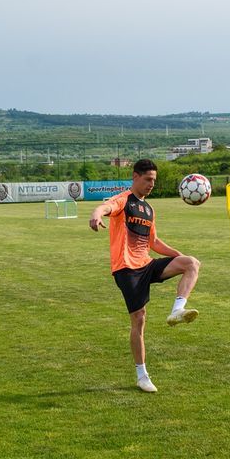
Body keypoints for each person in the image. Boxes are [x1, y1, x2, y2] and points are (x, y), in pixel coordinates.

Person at [89, 159, 201, 393]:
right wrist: (96, 215)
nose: (151, 184)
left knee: (191, 263)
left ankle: (176, 311)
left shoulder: (149, 209)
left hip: (146, 264)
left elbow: (153, 242)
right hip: (126, 269)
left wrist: (177, 256)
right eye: (148, 179)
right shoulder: (124, 200)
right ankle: (142, 375)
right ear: (135, 177)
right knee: (139, 319)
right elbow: (105, 207)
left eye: (154, 181)